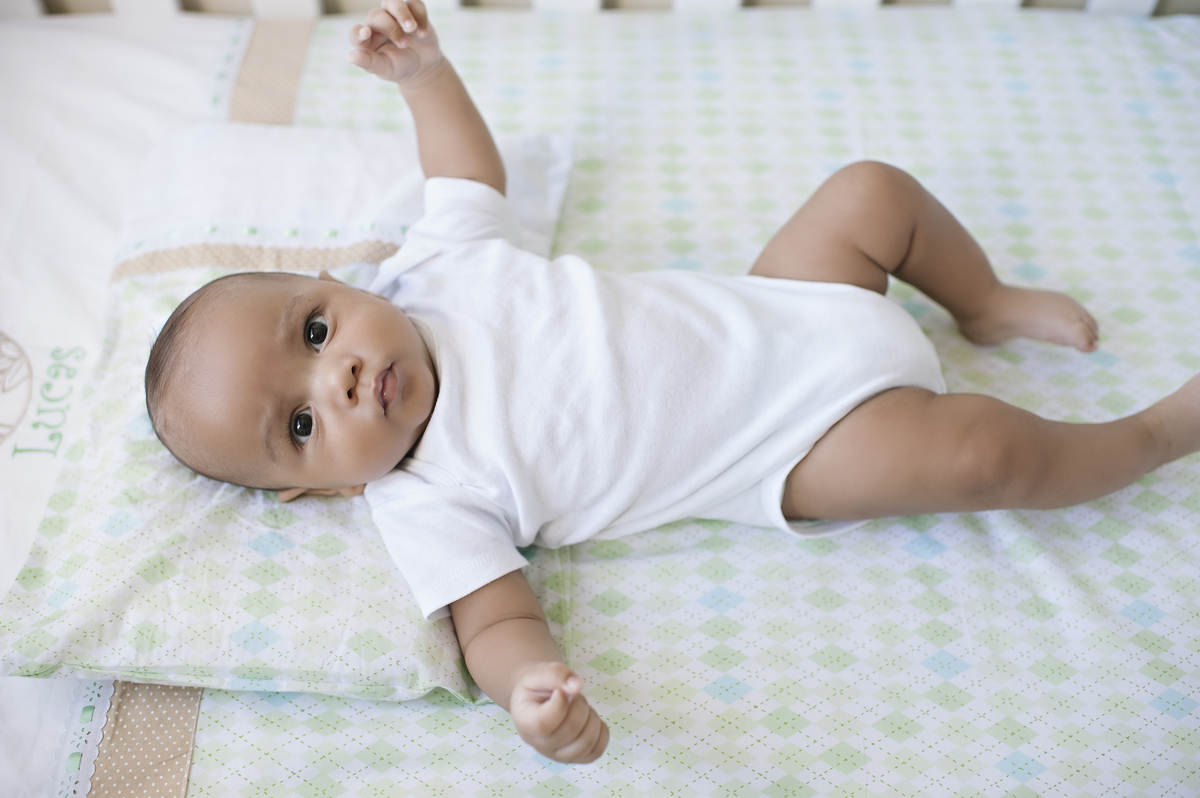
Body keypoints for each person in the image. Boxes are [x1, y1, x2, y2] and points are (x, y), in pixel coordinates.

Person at [143, 0, 1199, 765]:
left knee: (870, 192)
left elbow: (465, 172)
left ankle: (984, 300)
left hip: (790, 303)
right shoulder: (425, 497)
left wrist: (424, 75)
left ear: (337, 281)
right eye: (299, 423)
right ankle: (1153, 434)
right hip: (795, 443)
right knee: (984, 455)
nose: (343, 376)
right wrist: (534, 697)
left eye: (318, 330)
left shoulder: (437, 269)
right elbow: (494, 624)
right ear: (317, 488)